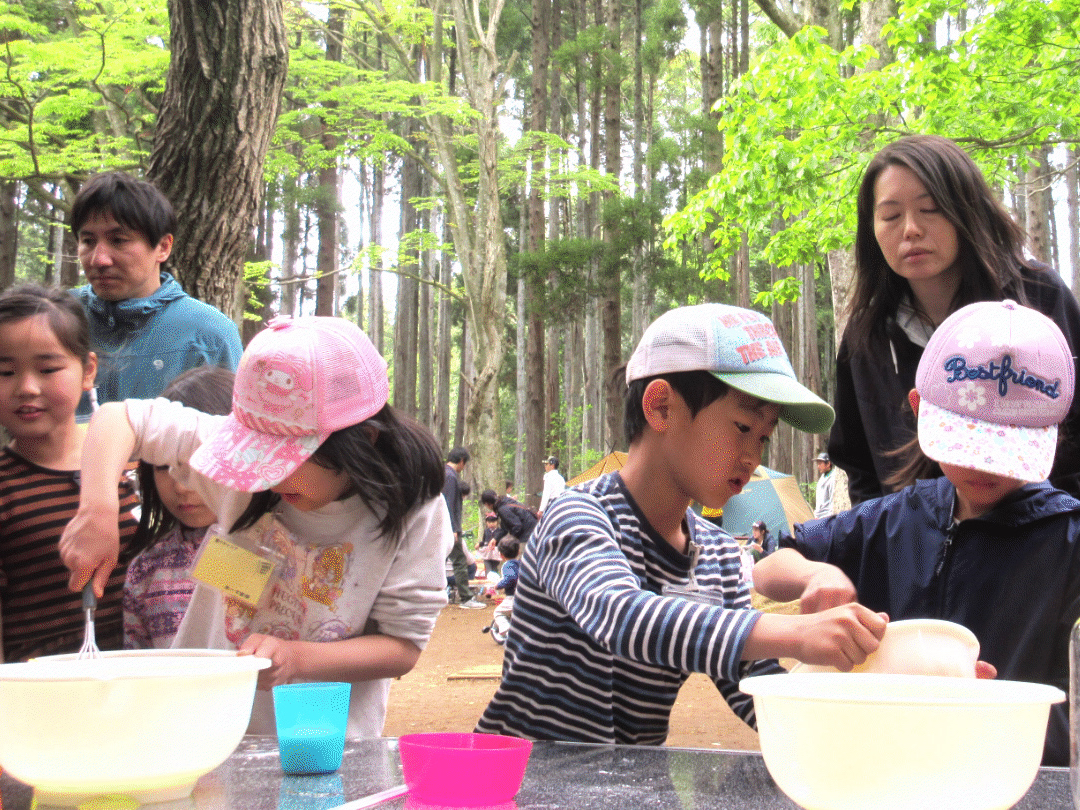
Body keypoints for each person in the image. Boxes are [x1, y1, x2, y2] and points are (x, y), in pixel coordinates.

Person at [476, 303, 887, 744]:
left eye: (764, 437)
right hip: (519, 773)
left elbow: (758, 692)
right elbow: (624, 618)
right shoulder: (577, 515)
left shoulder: (718, 557)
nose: (753, 457)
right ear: (661, 408)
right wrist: (797, 632)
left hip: (627, 780)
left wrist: (873, 724)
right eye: (743, 427)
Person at [59, 315, 453, 739]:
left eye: (285, 460)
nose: (268, 477)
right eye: (259, 455)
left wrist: (296, 658)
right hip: (196, 729)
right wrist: (97, 510)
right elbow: (119, 418)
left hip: (317, 744)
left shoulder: (413, 511)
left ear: (363, 440)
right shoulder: (245, 470)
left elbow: (402, 647)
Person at [755, 299, 1080, 766]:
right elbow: (771, 566)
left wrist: (994, 710)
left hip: (1011, 772)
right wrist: (813, 576)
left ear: (1052, 432)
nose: (984, 465)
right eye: (967, 442)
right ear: (919, 408)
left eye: (1006, 448)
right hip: (887, 765)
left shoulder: (1067, 542)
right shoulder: (892, 519)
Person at [826, 134, 1080, 505]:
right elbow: (858, 461)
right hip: (912, 538)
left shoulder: (1038, 296)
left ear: (967, 209)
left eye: (930, 208)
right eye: (891, 216)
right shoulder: (868, 334)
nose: (911, 229)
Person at [0, 283, 140, 661]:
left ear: (88, 370)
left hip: (150, 679)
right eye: (5, 371)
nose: (27, 388)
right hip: (43, 687)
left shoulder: (137, 463)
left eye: (48, 369)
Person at [69, 171, 243, 418]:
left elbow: (231, 434)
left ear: (163, 247)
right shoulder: (58, 320)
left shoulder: (209, 335)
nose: (99, 259)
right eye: (88, 241)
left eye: (118, 240)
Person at [123, 365, 235, 649]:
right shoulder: (147, 569)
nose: (182, 486)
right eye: (164, 467)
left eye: (199, 464)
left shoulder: (285, 549)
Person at [444, 447, 484, 609]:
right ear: (461, 461)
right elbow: (448, 504)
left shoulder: (443, 473)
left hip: (442, 526)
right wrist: (453, 529)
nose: (464, 467)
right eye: (464, 463)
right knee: (460, 561)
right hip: (448, 527)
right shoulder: (450, 476)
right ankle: (466, 598)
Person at [484, 536, 521, 645]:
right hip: (525, 596)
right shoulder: (521, 564)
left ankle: (507, 630)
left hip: (513, 598)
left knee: (499, 612)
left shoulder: (508, 565)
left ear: (501, 555)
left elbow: (511, 578)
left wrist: (498, 585)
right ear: (518, 551)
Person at [812, 451, 835, 518]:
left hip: (826, 517)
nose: (818, 466)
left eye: (820, 464)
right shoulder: (822, 478)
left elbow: (832, 502)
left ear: (828, 464)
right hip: (818, 516)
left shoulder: (832, 478)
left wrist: (829, 517)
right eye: (818, 464)